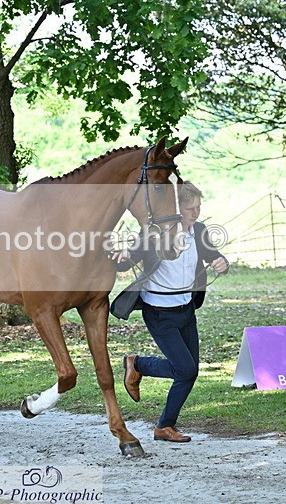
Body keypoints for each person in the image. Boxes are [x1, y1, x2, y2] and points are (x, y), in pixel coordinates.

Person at [110, 181, 229, 443]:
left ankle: (164, 425)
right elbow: (131, 255)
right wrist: (123, 256)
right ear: (176, 208)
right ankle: (138, 366)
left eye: (198, 207)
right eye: (189, 208)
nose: (195, 213)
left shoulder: (199, 231)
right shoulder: (154, 233)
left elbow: (214, 256)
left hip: (186, 309)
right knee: (185, 369)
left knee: (190, 371)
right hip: (159, 312)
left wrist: (222, 263)